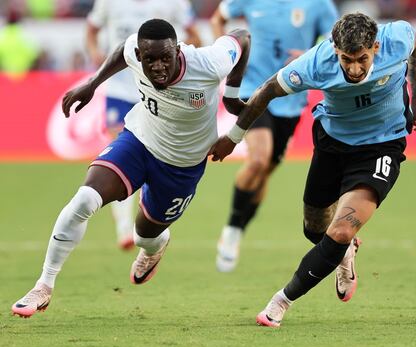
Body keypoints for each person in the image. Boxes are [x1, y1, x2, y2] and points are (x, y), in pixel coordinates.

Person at [11, 19, 250, 318]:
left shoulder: (209, 63)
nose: (159, 67)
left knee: (144, 236)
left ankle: (155, 247)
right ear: (140, 56)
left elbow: (242, 37)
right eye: (150, 60)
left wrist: (231, 97)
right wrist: (92, 84)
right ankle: (43, 286)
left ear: (178, 50)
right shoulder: (134, 50)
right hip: (138, 141)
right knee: (85, 199)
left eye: (166, 57)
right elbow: (121, 51)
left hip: (182, 165)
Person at [210, 13, 416, 327]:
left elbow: (415, 43)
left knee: (340, 229)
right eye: (346, 60)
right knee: (314, 229)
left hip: (383, 145)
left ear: (377, 46)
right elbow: (267, 91)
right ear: (333, 49)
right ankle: (346, 253)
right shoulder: (316, 63)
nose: (354, 69)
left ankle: (280, 302)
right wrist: (233, 138)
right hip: (332, 145)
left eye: (362, 59)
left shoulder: (397, 38)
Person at [209, 0, 338, 272]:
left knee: (265, 170)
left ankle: (239, 229)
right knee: (258, 159)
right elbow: (217, 18)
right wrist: (225, 60)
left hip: (290, 97)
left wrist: (309, 54)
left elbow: (336, 44)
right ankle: (231, 229)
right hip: (253, 89)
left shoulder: (319, 5)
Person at [86, 0, 202, 250]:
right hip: (120, 88)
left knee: (156, 153)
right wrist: (95, 52)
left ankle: (147, 209)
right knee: (121, 154)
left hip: (161, 91)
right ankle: (124, 228)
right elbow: (92, 28)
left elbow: (193, 32)